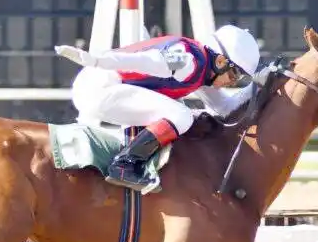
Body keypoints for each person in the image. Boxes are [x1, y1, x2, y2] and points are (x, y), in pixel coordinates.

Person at [54, 24, 262, 190]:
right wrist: (96, 60)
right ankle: (125, 164)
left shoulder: (204, 72)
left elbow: (224, 107)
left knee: (185, 115)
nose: (233, 82)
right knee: (182, 115)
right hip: (98, 89)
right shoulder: (187, 61)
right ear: (221, 61)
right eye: (235, 74)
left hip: (107, 88)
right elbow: (144, 60)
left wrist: (263, 82)